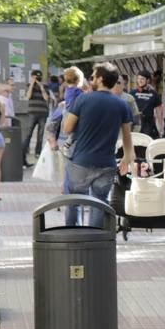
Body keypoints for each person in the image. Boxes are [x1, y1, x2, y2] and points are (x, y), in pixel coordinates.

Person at [61, 63, 134, 227]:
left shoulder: (83, 99)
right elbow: (128, 137)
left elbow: (67, 129)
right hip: (106, 163)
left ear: (100, 79)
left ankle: (73, 237)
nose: (91, 79)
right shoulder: (122, 104)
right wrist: (127, 158)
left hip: (80, 161)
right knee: (99, 203)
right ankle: (94, 241)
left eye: (93, 76)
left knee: (74, 201)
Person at [23, 70, 54, 163]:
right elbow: (28, 96)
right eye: (35, 77)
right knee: (28, 133)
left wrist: (41, 87)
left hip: (43, 113)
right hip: (32, 112)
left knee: (40, 134)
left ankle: (38, 152)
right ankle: (24, 151)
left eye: (38, 77)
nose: (37, 79)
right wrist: (32, 84)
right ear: (32, 77)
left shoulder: (45, 86)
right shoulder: (29, 86)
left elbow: (46, 98)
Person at [132, 73, 160, 139]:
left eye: (142, 79)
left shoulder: (153, 93)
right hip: (135, 124)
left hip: (148, 124)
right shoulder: (132, 93)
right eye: (138, 78)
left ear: (148, 80)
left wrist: (160, 126)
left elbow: (159, 110)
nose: (140, 80)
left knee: (147, 142)